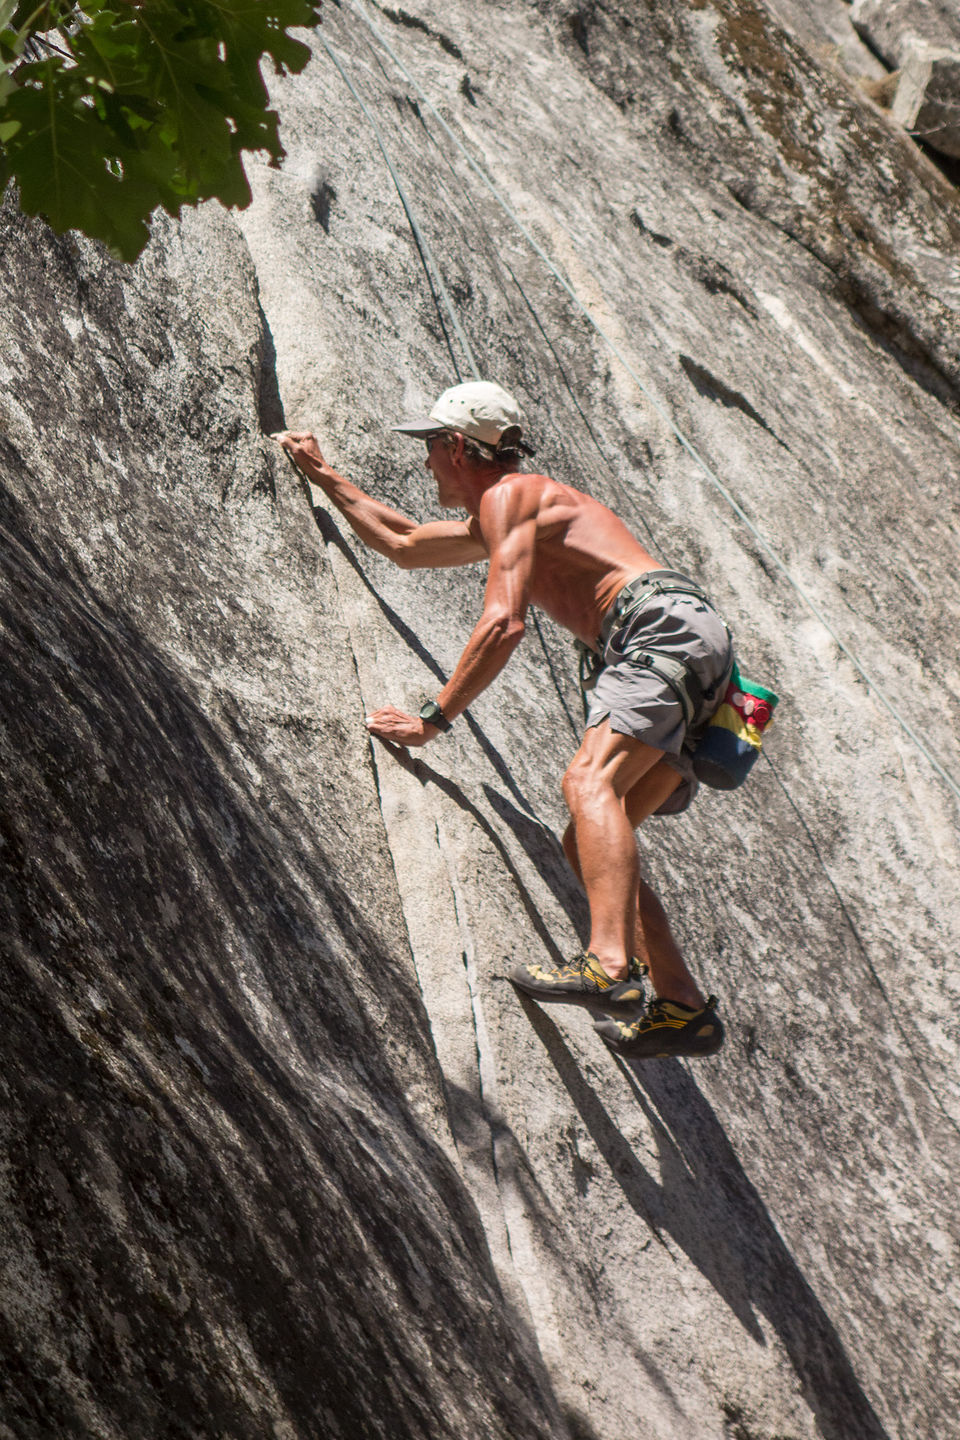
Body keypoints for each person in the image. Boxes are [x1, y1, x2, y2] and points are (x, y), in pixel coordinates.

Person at [274, 381, 732, 1057]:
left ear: (458, 446)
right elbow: (402, 543)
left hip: (657, 634)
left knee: (587, 783)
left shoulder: (511, 495)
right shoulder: (505, 516)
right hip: (692, 652)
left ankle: (609, 964)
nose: (426, 461)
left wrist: (435, 717)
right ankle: (682, 1006)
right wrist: (322, 473)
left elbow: (503, 621)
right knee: (588, 839)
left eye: (431, 446)